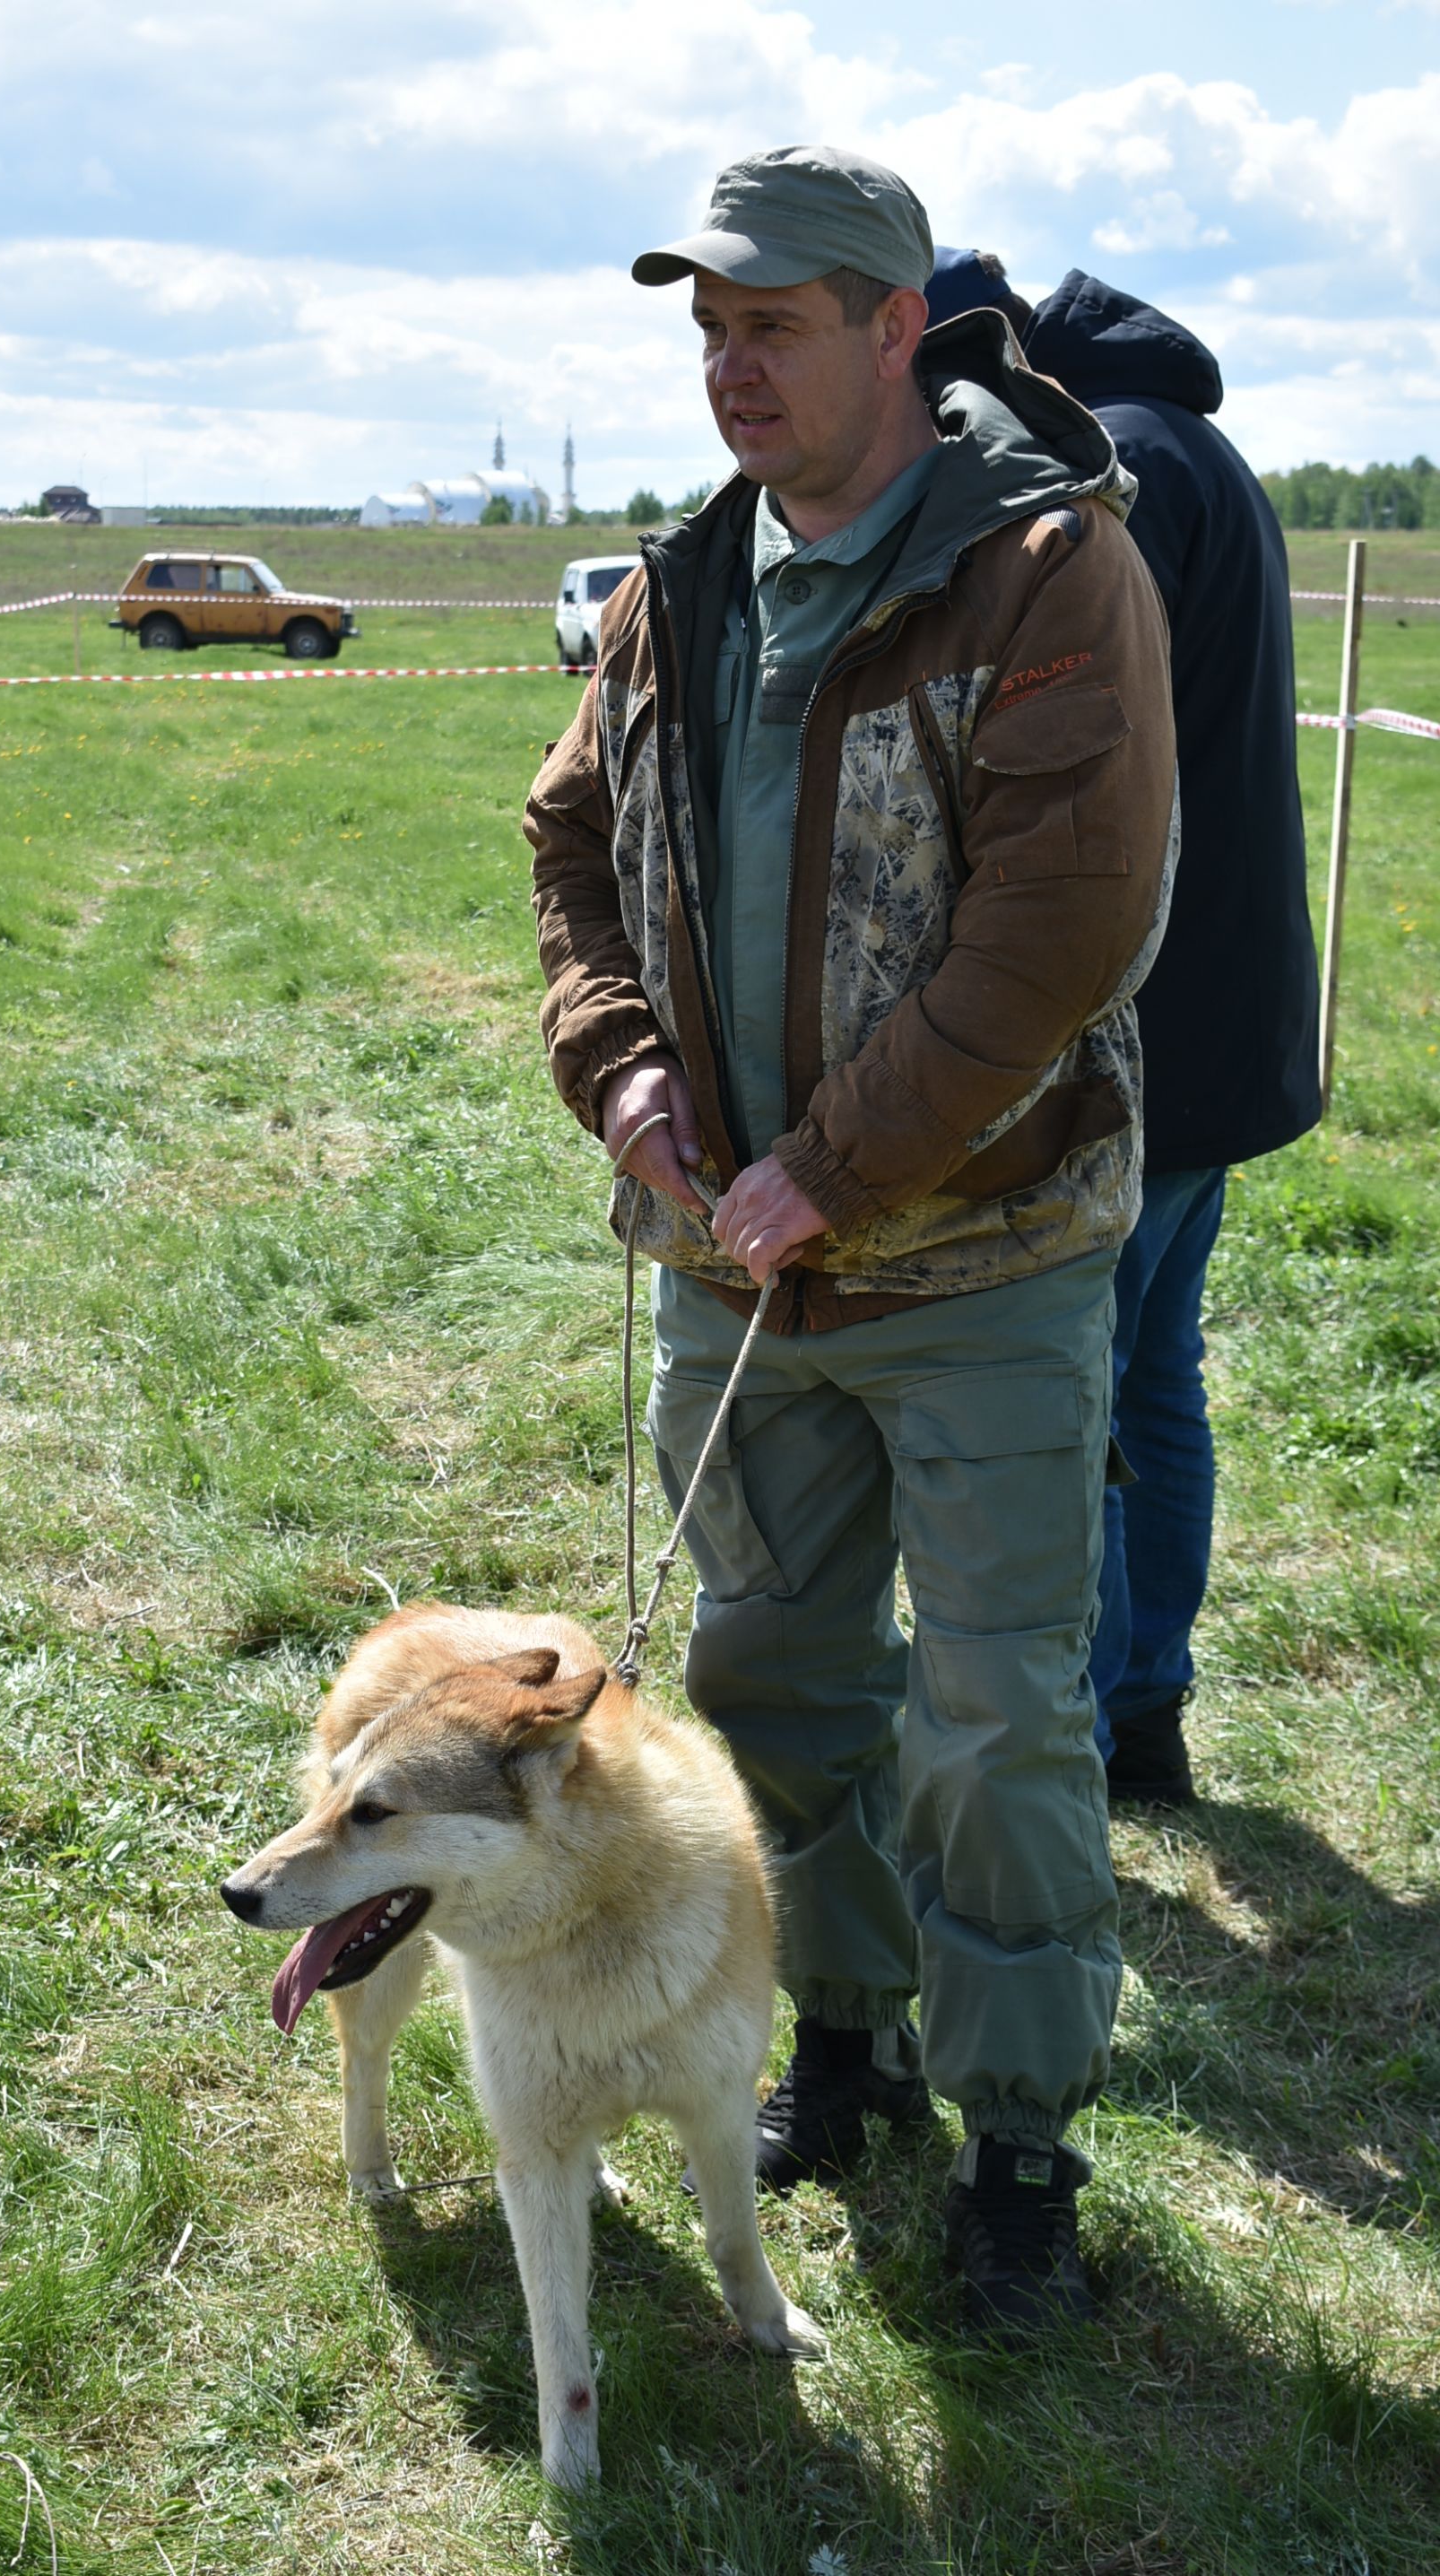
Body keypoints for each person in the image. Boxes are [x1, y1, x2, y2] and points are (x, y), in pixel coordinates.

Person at [525, 145, 1177, 2336]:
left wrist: (846, 1161)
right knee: (772, 1689)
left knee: (996, 1721)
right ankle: (847, 2040)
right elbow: (569, 836)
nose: (729, 366)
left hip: (984, 1262)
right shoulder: (683, 582)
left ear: (897, 325)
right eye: (705, 326)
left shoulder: (1049, 570)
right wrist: (621, 1072)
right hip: (737, 1275)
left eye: (772, 323)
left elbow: (1066, 924)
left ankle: (1020, 2145)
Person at [924, 251, 1323, 1804]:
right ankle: (1143, 1707)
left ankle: (1092, 1725)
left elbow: (1062, 730)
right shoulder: (1187, 442)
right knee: (1158, 1369)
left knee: (1082, 1387)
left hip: (1147, 1021)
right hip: (1223, 1010)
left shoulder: (1127, 469)